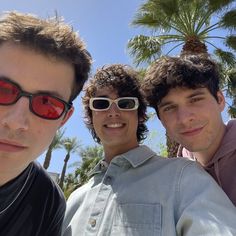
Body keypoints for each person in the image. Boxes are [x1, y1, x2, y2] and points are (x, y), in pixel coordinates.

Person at [62, 64, 236, 236]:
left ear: (141, 115)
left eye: (125, 103)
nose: (113, 112)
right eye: (101, 104)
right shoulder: (74, 200)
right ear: (91, 115)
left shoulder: (183, 176)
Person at [0, 11, 92, 236]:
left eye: (47, 104)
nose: (15, 123)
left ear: (63, 119)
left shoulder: (47, 202)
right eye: (2, 91)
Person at [142, 55, 236, 206]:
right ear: (161, 120)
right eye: (169, 108)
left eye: (195, 99)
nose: (184, 118)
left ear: (220, 100)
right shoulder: (173, 177)